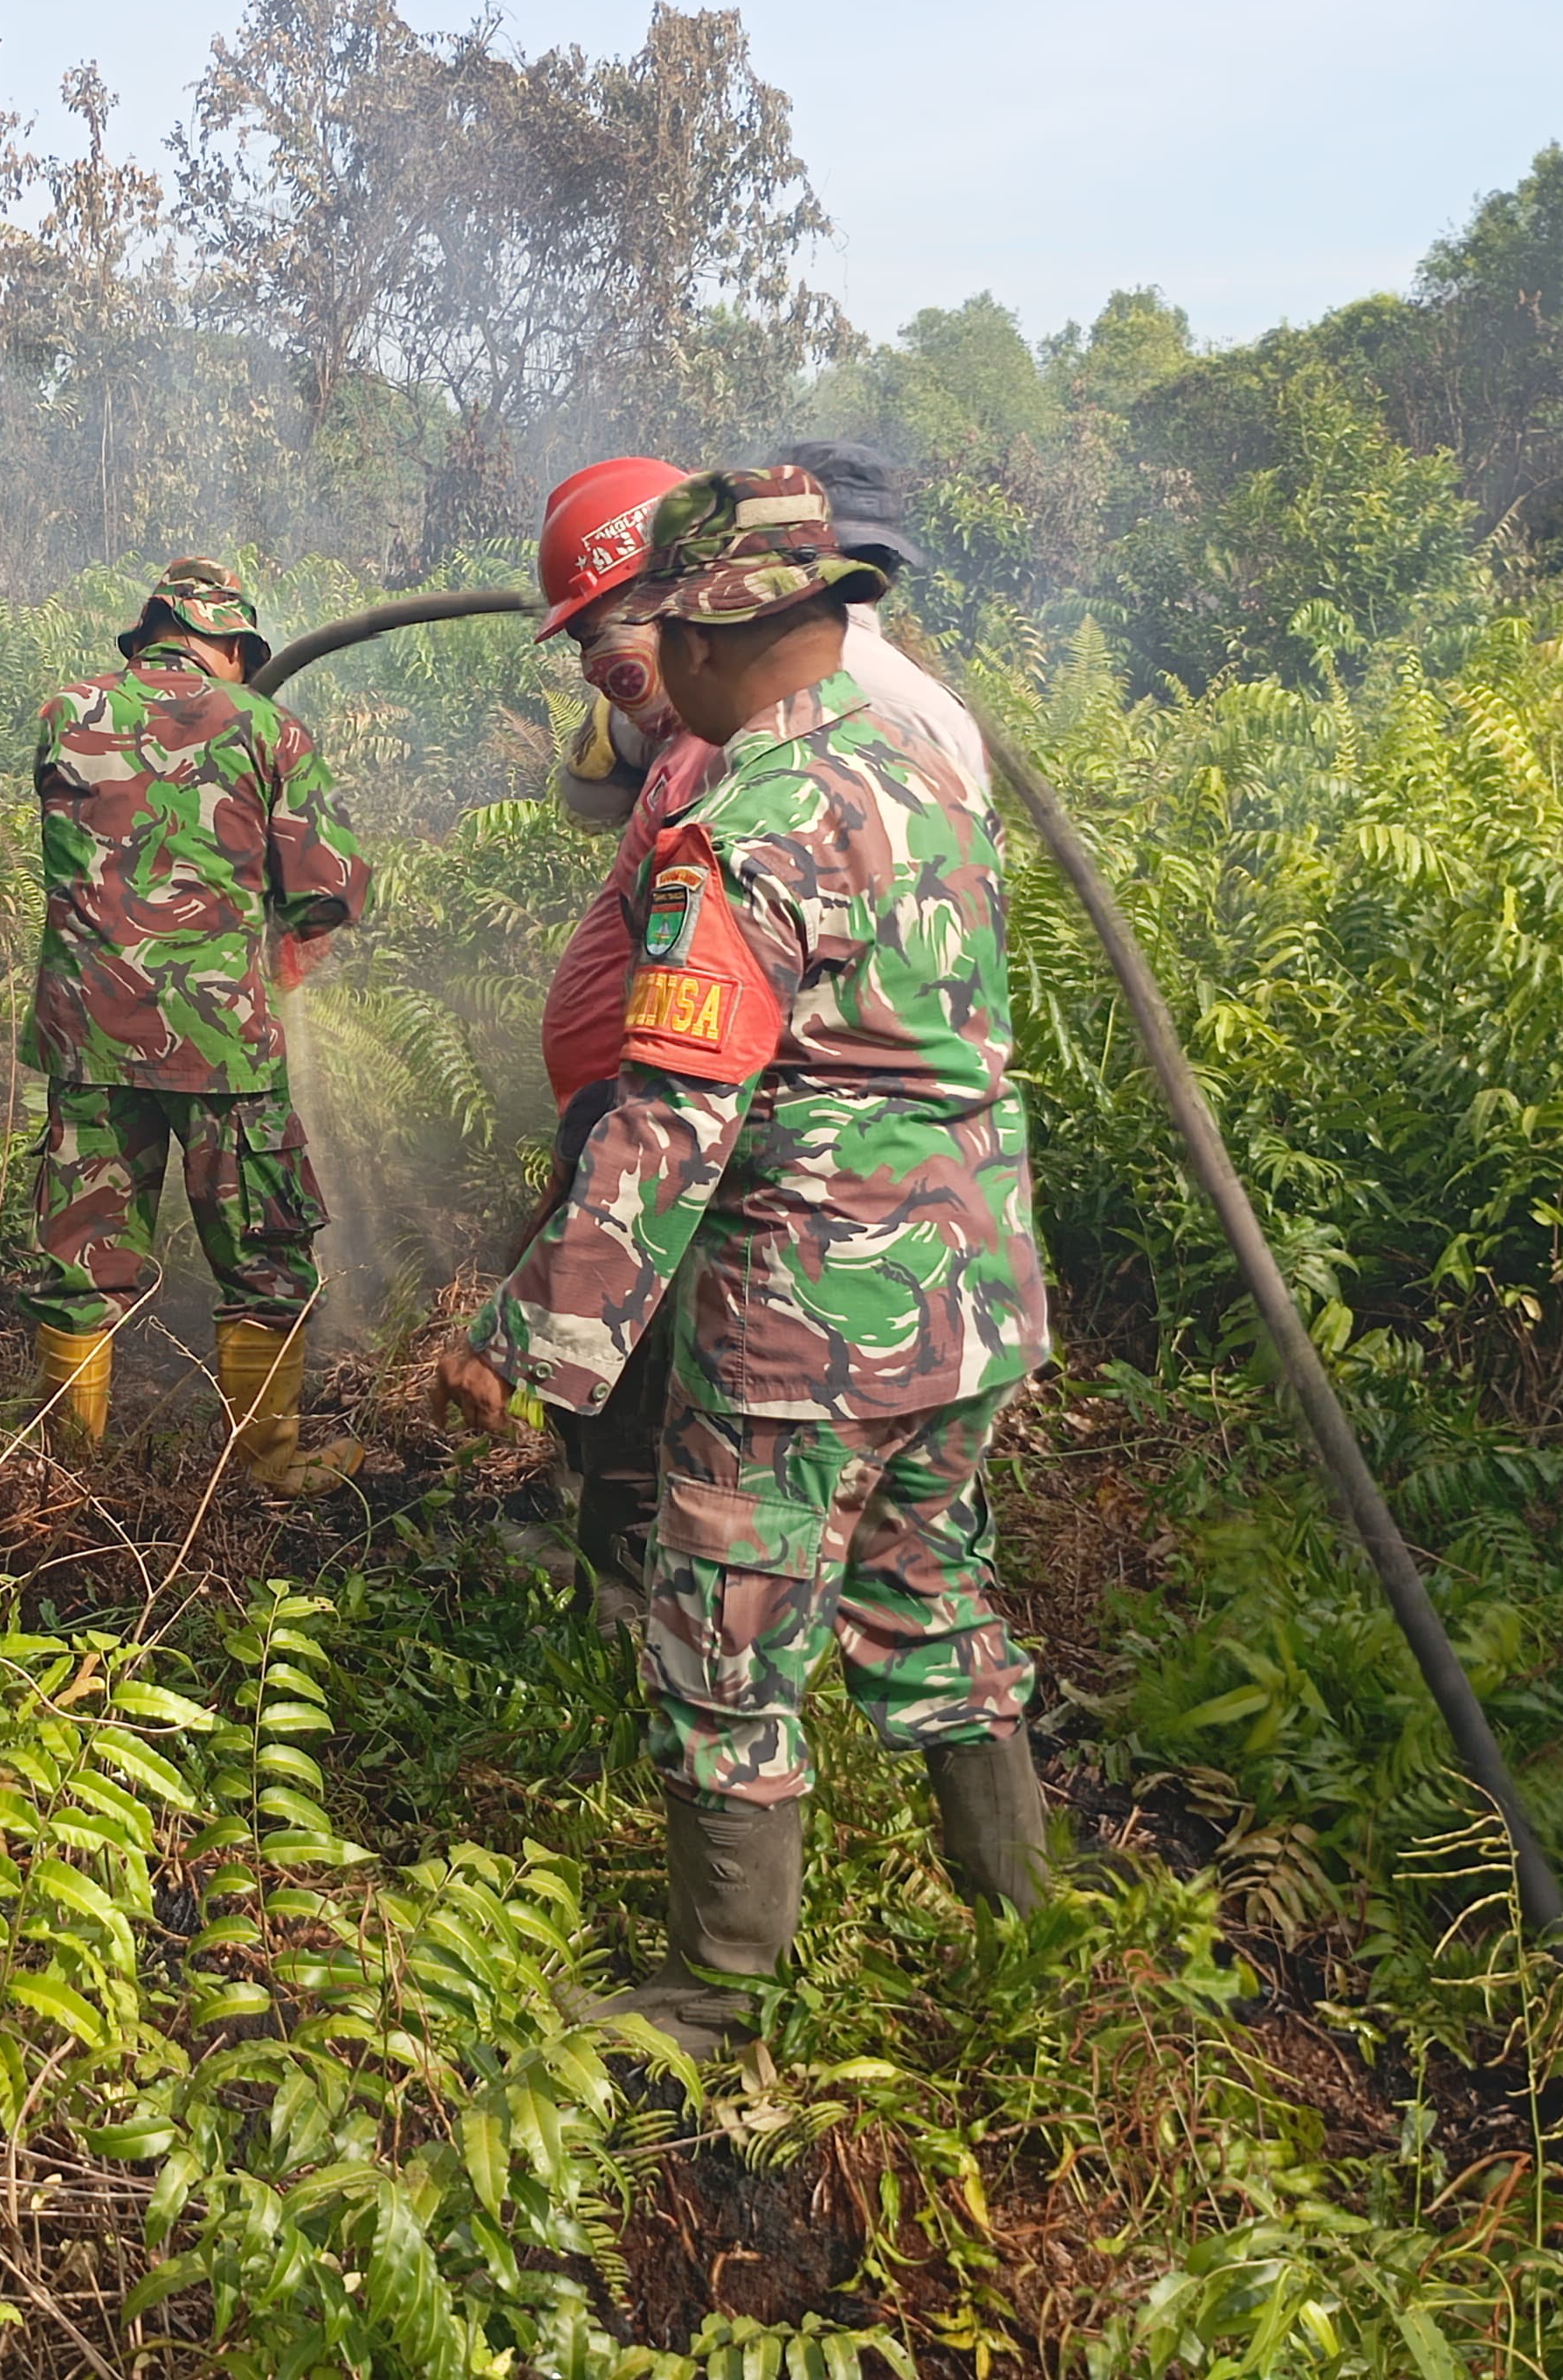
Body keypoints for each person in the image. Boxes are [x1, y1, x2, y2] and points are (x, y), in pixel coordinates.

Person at [443, 465, 1054, 2058]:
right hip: (973, 1295)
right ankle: (1031, 1936)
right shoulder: (924, 776)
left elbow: (668, 1126)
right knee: (932, 1595)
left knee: (725, 1638)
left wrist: (525, 1339)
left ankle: (719, 1990)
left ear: (710, 639)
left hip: (810, 1319)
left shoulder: (751, 824)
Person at [532, 444, 981, 1625]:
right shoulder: (718, 717)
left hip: (759, 1171)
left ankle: (659, 1610)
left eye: (618, 636)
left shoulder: (831, 735)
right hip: (678, 1122)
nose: (609, 667)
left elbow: (694, 1101)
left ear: (701, 612)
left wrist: (530, 1331)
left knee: (705, 1437)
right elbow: (589, 793)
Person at [24, 558, 373, 1494]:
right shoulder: (268, 727)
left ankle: (66, 1478)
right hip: (224, 1044)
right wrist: (279, 948)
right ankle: (269, 1466)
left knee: (81, 1258)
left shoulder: (66, 713)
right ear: (228, 645)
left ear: (149, 637)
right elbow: (330, 888)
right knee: (263, 1254)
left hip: (89, 1032)